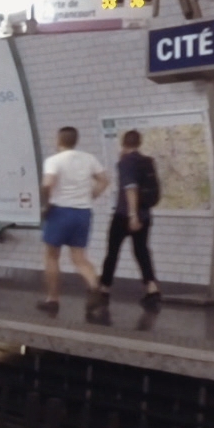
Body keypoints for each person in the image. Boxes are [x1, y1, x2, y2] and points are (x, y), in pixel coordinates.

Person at [38, 126, 110, 316]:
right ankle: (95, 287)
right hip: (83, 212)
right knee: (79, 258)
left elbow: (47, 184)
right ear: (75, 140)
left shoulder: (53, 161)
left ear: (58, 140)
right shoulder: (89, 159)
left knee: (52, 256)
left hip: (60, 212)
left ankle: (53, 299)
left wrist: (45, 205)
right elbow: (104, 180)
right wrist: (92, 195)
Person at [98, 129, 161, 305]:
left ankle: (104, 287)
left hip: (124, 215)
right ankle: (151, 287)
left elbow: (131, 188)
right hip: (145, 214)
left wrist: (132, 216)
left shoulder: (126, 162)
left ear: (123, 142)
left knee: (112, 251)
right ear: (139, 143)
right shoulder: (146, 161)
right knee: (142, 251)